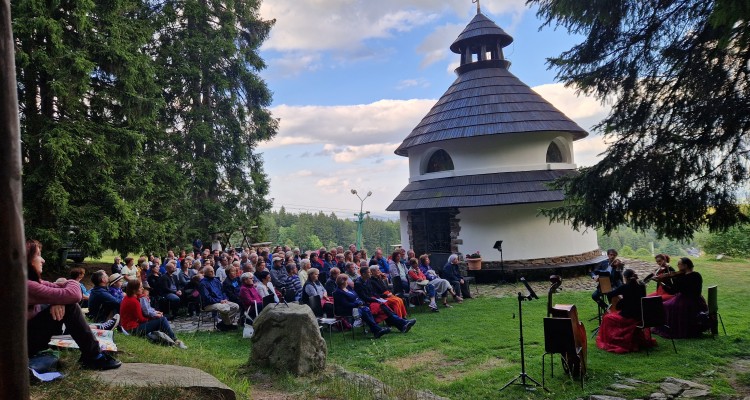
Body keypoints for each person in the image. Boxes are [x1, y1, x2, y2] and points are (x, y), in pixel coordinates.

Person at [26, 240, 121, 370]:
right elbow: (74, 295)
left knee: (64, 304)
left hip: (26, 339)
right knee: (70, 306)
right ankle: (93, 356)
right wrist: (71, 283)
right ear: (26, 259)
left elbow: (61, 289)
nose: (43, 260)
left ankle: (93, 349)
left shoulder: (31, 282)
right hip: (21, 346)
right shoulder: (25, 286)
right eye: (38, 255)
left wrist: (58, 300)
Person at [596, 269, 656, 353]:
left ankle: (614, 341)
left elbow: (610, 294)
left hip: (628, 316)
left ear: (625, 278)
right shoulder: (641, 286)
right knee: (613, 315)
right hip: (640, 315)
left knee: (607, 317)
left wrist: (615, 292)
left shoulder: (624, 287)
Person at [119, 279, 187, 349]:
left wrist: (154, 314)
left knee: (160, 321)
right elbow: (141, 319)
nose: (143, 289)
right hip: (133, 330)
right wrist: (154, 318)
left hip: (127, 327)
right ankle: (176, 341)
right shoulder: (133, 301)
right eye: (140, 287)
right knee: (162, 320)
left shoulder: (128, 297)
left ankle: (170, 340)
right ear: (134, 290)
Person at [653, 257, 709, 339]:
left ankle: (672, 329)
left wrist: (661, 283)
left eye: (679, 264)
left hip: (686, 301)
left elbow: (672, 291)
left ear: (685, 265)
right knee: (667, 304)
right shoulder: (697, 275)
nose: (677, 266)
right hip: (698, 301)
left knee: (665, 305)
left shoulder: (682, 278)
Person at [199, 266, 240, 331]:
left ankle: (223, 324)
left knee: (235, 306)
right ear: (205, 273)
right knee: (225, 308)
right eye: (210, 271)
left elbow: (223, 291)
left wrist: (225, 299)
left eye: (213, 270)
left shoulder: (216, 280)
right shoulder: (203, 283)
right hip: (209, 304)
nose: (213, 272)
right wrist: (219, 300)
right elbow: (207, 298)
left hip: (221, 301)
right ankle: (228, 325)